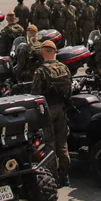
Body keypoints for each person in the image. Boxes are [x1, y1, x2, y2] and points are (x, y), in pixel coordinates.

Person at [30, 40, 72, 186]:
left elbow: (35, 94)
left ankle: (53, 177)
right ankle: (65, 175)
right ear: (55, 52)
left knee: (49, 144)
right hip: (61, 109)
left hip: (47, 110)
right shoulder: (64, 68)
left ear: (42, 52)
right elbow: (69, 90)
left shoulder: (41, 71)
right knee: (62, 143)